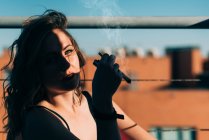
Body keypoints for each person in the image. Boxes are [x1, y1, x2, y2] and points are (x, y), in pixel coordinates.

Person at [1, 10, 156, 140]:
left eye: (68, 51)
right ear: (35, 70)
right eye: (50, 60)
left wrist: (104, 103)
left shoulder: (91, 103)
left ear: (79, 55)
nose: (66, 64)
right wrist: (103, 103)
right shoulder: (39, 121)